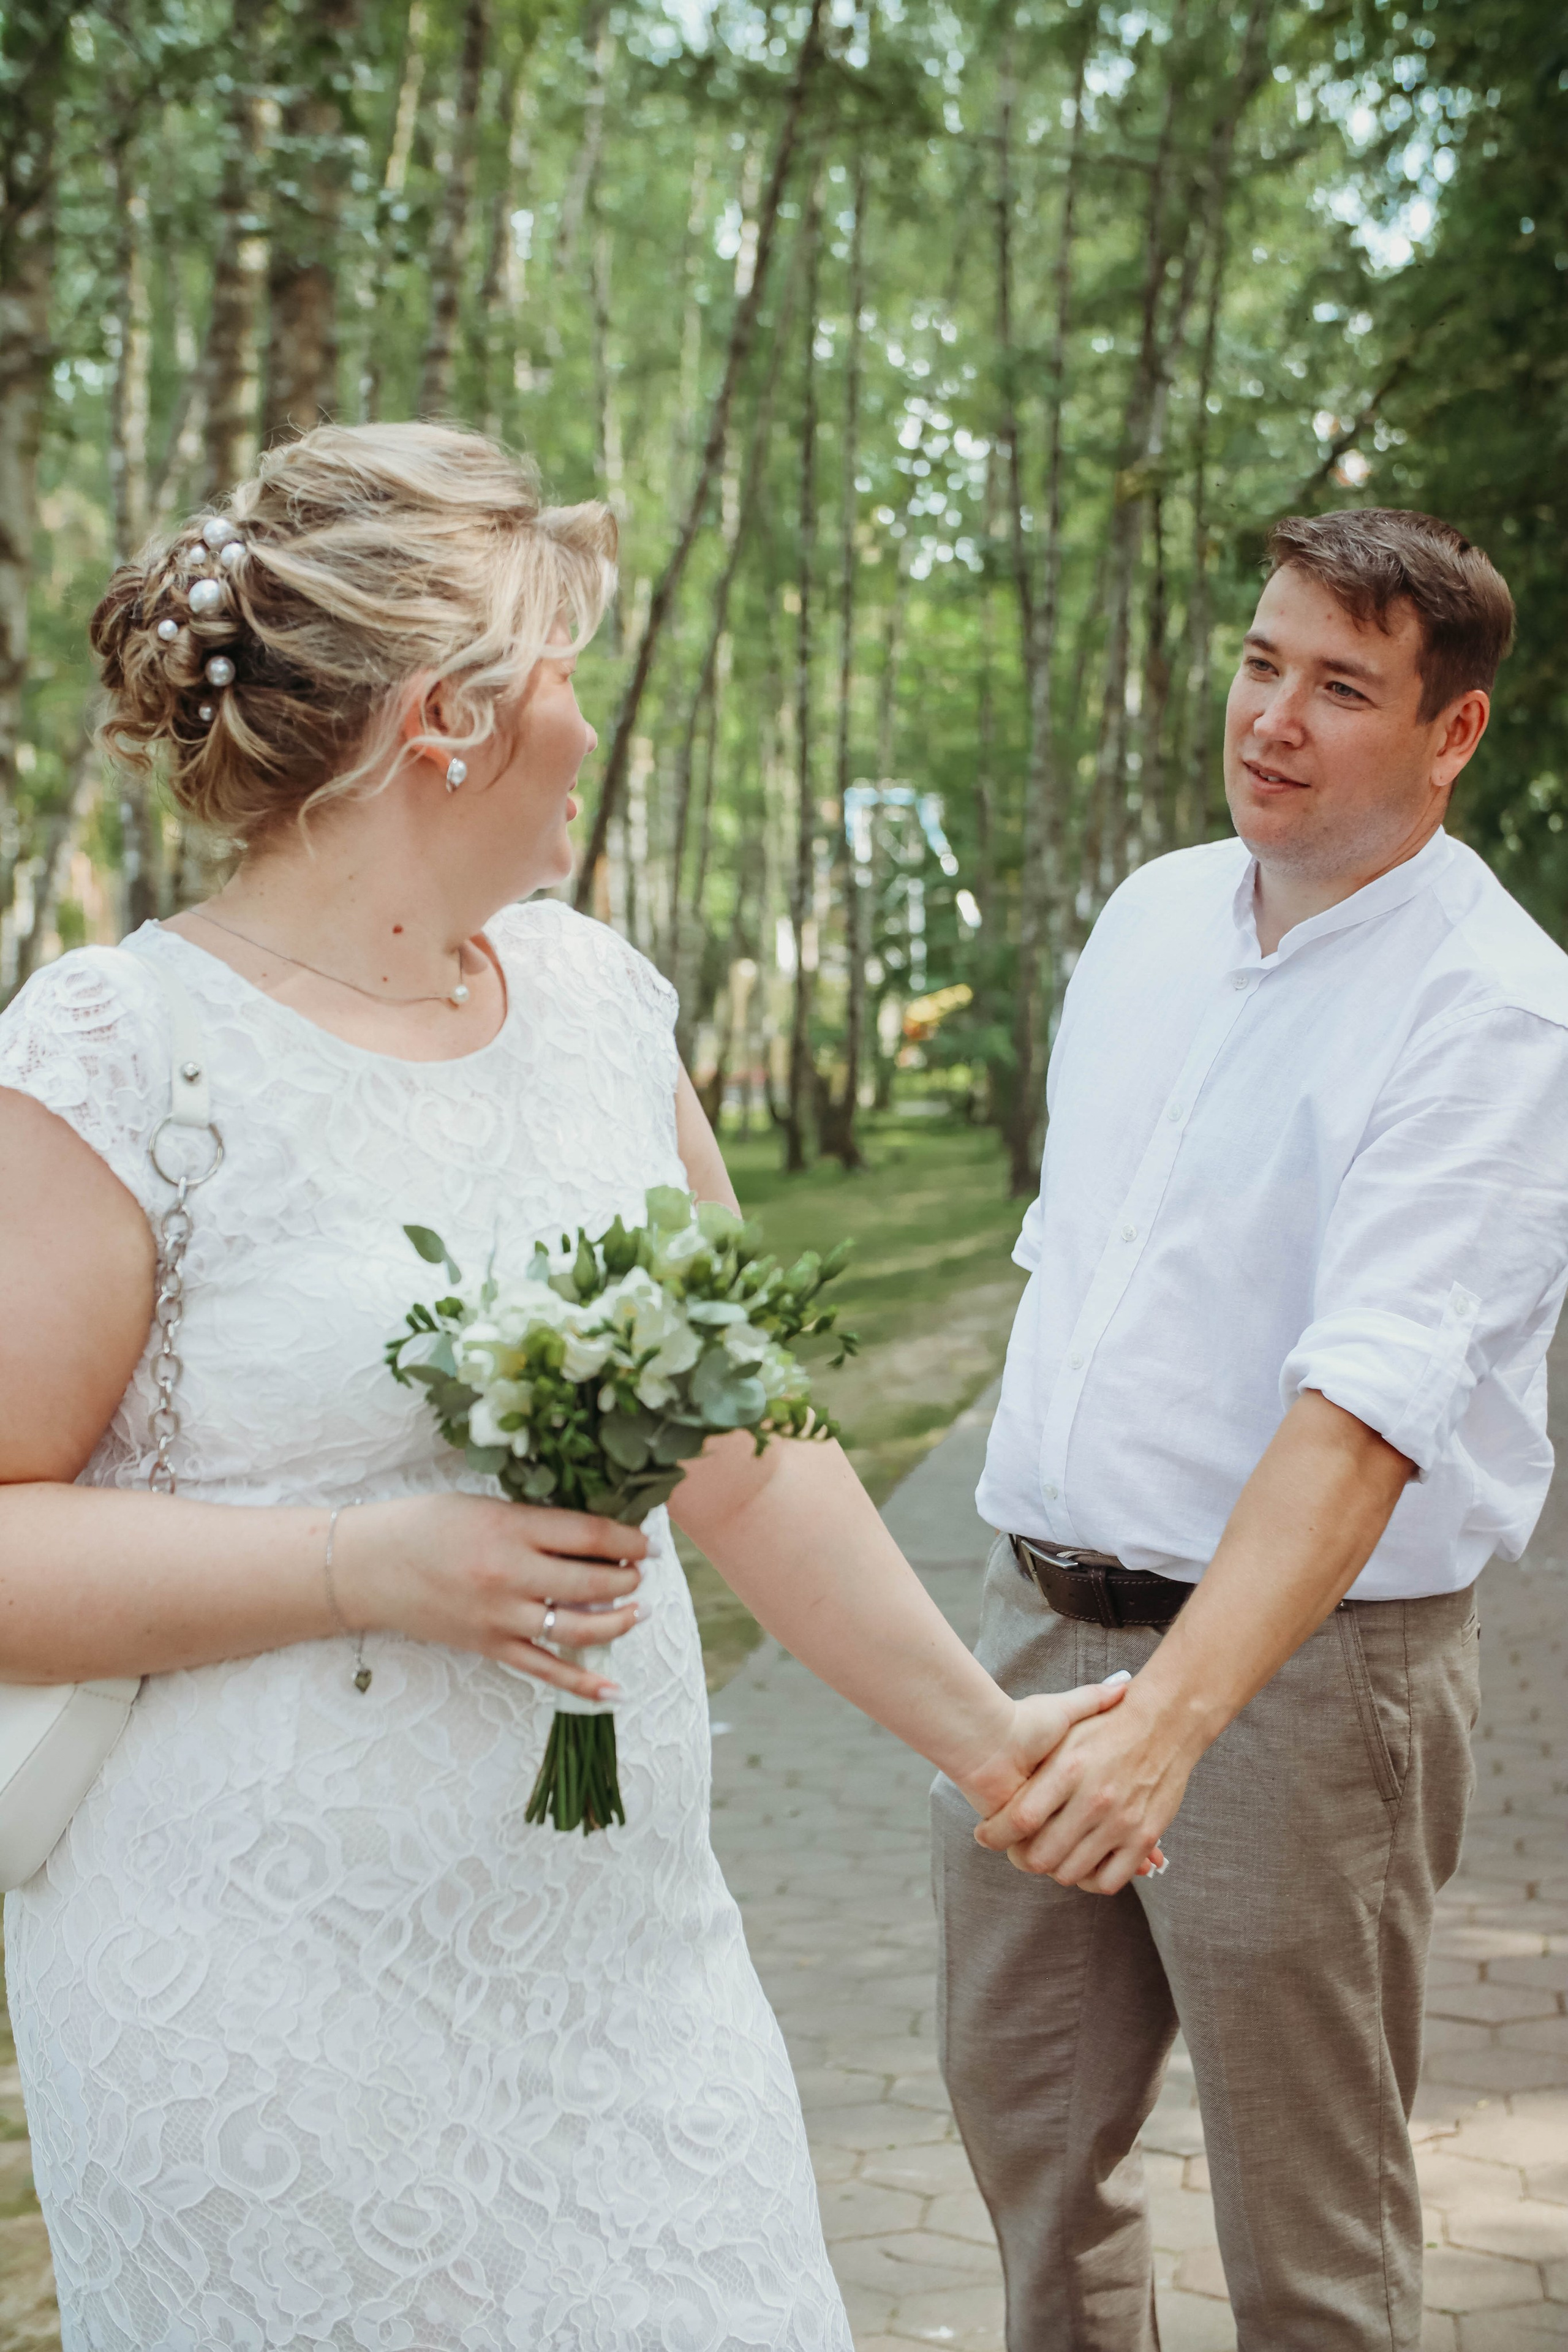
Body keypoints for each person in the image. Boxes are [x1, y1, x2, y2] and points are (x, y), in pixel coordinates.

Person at [0, 421, 1128, 2352]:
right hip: (260, 2013)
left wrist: (991, 1746)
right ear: (451, 719)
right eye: (566, 681)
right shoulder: (126, 1049)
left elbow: (752, 1455)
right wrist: (367, 1564)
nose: (588, 731)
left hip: (626, 1978)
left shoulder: (601, 1008)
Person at [933, 508, 1568, 2351]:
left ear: (1450, 736)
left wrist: (1172, 1730)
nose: (1273, 719)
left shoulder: (1502, 1015)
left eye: (1342, 688)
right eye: (1260, 662)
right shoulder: (1150, 917)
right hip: (1038, 1636)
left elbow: (1367, 1416)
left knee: (1310, 2244)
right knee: (1033, 2160)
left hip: (1302, 1693)